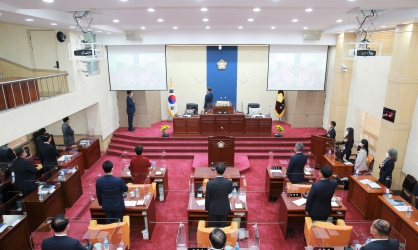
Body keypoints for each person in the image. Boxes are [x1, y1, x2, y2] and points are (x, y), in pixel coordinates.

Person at [205, 162, 233, 227]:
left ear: (215, 171)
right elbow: (230, 194)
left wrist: (207, 208)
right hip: (224, 208)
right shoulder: (229, 182)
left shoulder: (210, 183)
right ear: (224, 171)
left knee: (212, 226)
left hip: (213, 208)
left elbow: (207, 197)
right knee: (222, 226)